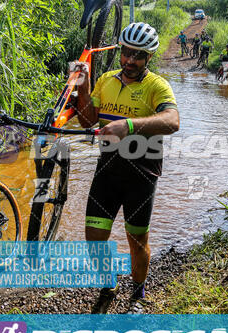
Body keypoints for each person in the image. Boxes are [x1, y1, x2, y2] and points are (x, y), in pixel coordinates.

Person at [71, 22, 179, 314]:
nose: (130, 60)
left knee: (137, 240)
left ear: (148, 58)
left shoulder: (156, 85)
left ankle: (138, 293)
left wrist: (128, 125)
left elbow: (172, 121)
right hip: (107, 172)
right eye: (126, 53)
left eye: (138, 55)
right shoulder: (106, 80)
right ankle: (109, 285)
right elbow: (87, 120)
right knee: (94, 240)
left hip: (141, 175)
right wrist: (83, 85)